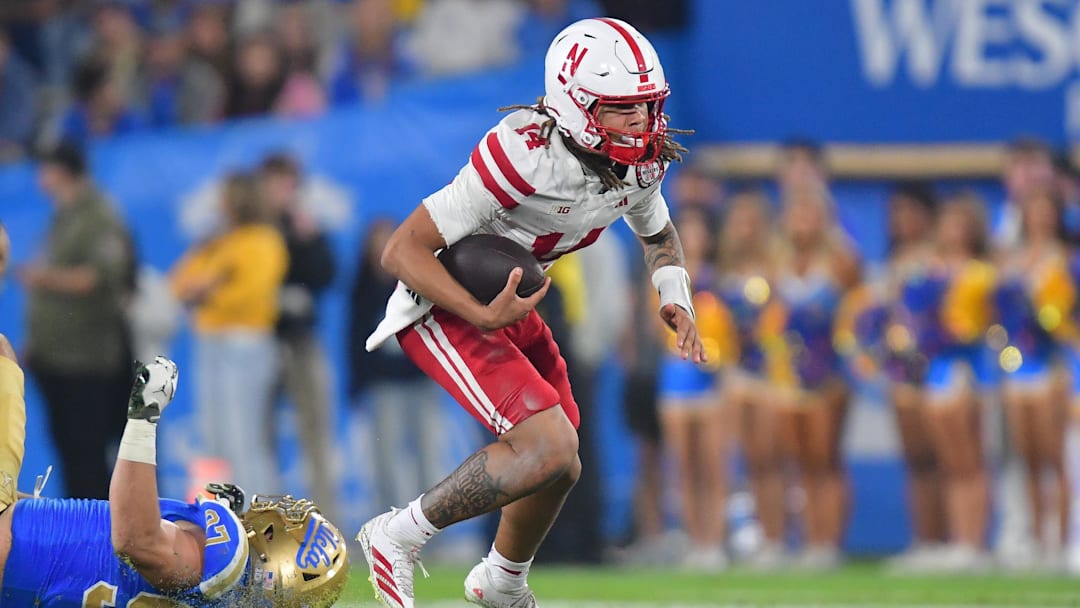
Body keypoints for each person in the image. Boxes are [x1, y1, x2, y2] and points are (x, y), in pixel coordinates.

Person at [358, 18, 704, 608]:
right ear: (575, 105)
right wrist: (478, 312)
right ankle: (396, 535)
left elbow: (658, 233)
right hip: (445, 302)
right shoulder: (522, 154)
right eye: (623, 110)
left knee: (562, 461)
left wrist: (674, 293)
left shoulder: (641, 162)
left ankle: (501, 582)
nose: (642, 123)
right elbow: (401, 250)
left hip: (512, 305)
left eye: (648, 106)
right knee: (544, 448)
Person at [0, 346, 350, 606]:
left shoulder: (225, 557)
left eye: (293, 525)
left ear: (281, 556)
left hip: (24, 550)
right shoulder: (227, 592)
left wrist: (143, 418)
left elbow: (136, 539)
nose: (284, 510)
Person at [19, 141, 136, 499]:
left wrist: (43, 279)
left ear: (61, 171)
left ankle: (102, 533)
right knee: (71, 451)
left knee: (89, 451)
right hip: (56, 359)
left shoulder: (98, 215)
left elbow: (101, 276)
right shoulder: (64, 215)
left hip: (86, 358)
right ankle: (81, 529)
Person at [170, 172, 288, 496]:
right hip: (210, 342)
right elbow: (179, 284)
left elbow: (253, 294)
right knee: (217, 439)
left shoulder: (264, 239)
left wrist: (211, 292)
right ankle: (229, 521)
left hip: (245, 342)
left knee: (245, 439)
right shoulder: (220, 240)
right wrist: (210, 280)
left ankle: (261, 520)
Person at [766, 186, 860, 570]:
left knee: (826, 460)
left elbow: (859, 314)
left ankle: (830, 542)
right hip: (788, 377)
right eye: (796, 214)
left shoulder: (841, 263)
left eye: (810, 214)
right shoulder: (775, 262)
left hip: (829, 376)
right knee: (799, 461)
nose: (802, 222)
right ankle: (808, 539)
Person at [995, 188, 1074, 568]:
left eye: (1047, 210)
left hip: (1049, 364)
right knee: (1025, 459)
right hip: (1016, 366)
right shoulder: (1010, 260)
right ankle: (1032, 539)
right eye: (1033, 210)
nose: (1039, 218)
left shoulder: (1066, 260)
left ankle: (1062, 541)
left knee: (1053, 457)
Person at [261, 154, 338, 519]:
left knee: (316, 433)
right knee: (262, 438)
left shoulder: (303, 225)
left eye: (289, 183)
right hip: (261, 343)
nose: (283, 192)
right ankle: (266, 527)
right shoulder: (254, 228)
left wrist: (309, 239)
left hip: (302, 342)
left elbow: (326, 275)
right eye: (277, 182)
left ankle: (328, 522)